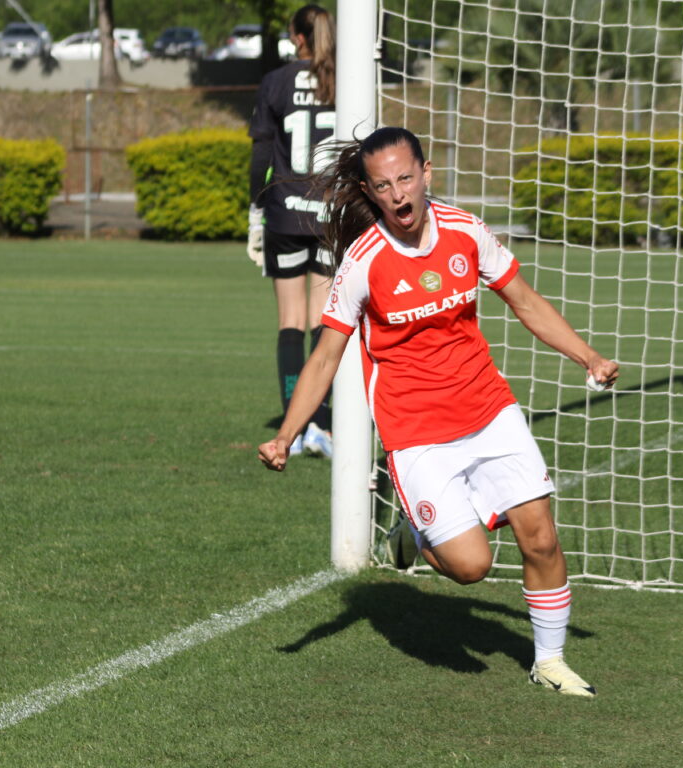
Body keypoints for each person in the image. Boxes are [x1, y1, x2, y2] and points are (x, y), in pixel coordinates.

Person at [258, 127, 620, 698]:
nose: (399, 194)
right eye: (384, 185)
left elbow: (523, 299)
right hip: (417, 431)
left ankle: (549, 661)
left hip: (490, 409)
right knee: (472, 566)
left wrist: (588, 356)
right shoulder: (363, 261)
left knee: (542, 539)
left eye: (406, 178)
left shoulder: (465, 230)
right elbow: (327, 355)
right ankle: (413, 535)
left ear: (427, 174)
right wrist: (286, 434)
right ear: (370, 192)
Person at [247, 4, 336, 458]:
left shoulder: (277, 81)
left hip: (283, 213)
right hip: (329, 217)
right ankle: (320, 423)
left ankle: (292, 428)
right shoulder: (344, 79)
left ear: (298, 38)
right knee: (324, 320)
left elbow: (263, 154)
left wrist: (253, 210)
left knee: (290, 321)